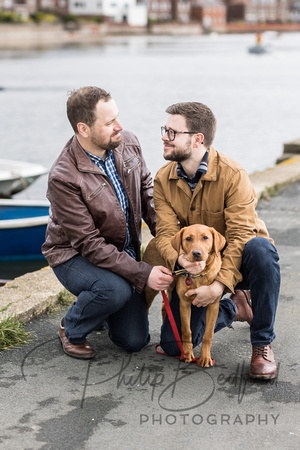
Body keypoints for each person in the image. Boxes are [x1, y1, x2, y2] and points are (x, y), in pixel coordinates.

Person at [42, 86, 173, 360]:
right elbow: (89, 244)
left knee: (134, 341)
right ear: (84, 129)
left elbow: (146, 189)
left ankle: (100, 309)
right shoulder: (63, 177)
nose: (120, 127)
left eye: (118, 117)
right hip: (74, 255)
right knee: (114, 290)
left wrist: (168, 235)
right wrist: (142, 273)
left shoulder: (127, 141)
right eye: (110, 122)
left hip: (120, 251)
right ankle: (72, 327)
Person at [154, 102, 280, 380]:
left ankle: (262, 344)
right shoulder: (163, 179)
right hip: (195, 266)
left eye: (172, 132)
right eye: (165, 130)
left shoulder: (233, 174)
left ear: (197, 139)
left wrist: (219, 285)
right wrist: (180, 260)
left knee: (262, 249)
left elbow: (240, 236)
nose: (164, 136)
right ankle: (235, 306)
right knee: (174, 345)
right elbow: (164, 233)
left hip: (241, 261)